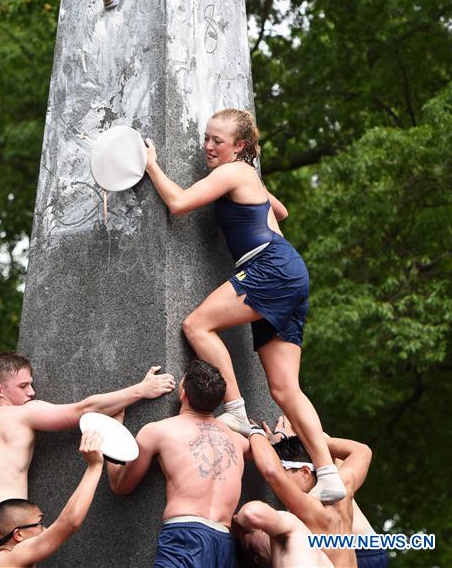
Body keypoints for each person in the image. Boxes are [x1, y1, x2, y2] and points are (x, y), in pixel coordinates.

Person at [144, 108, 345, 503]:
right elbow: (281, 211)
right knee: (285, 389)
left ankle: (234, 408)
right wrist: (257, 198)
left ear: (239, 147)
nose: (208, 146)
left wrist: (151, 165)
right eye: (206, 138)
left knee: (196, 325)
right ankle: (327, 473)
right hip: (289, 272)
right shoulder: (245, 175)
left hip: (269, 266)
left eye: (217, 141)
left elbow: (180, 203)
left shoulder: (235, 171)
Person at [0, 350, 175, 568]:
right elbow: (83, 410)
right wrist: (141, 390)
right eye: (23, 386)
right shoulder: (22, 413)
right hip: (2, 537)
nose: (31, 392)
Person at [107, 359, 250, 568]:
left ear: (182, 393)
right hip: (223, 544)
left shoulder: (159, 431)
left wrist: (112, 431)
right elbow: (259, 451)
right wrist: (259, 432)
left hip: (186, 538)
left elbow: (120, 485)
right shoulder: (238, 441)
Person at [244, 417, 372, 568]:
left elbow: (272, 472)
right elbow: (362, 451)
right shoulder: (342, 489)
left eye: (283, 470)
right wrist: (302, 443)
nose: (280, 483)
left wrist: (254, 433)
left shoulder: (311, 508)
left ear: (305, 472)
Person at [0, 430, 104, 567]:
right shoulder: (16, 555)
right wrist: (94, 466)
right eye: (40, 523)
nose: (46, 530)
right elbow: (69, 523)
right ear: (18, 534)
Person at [233, 501, 333, 568]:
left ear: (261, 529)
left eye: (251, 548)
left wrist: (235, 520)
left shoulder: (295, 531)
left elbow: (251, 513)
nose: (256, 558)